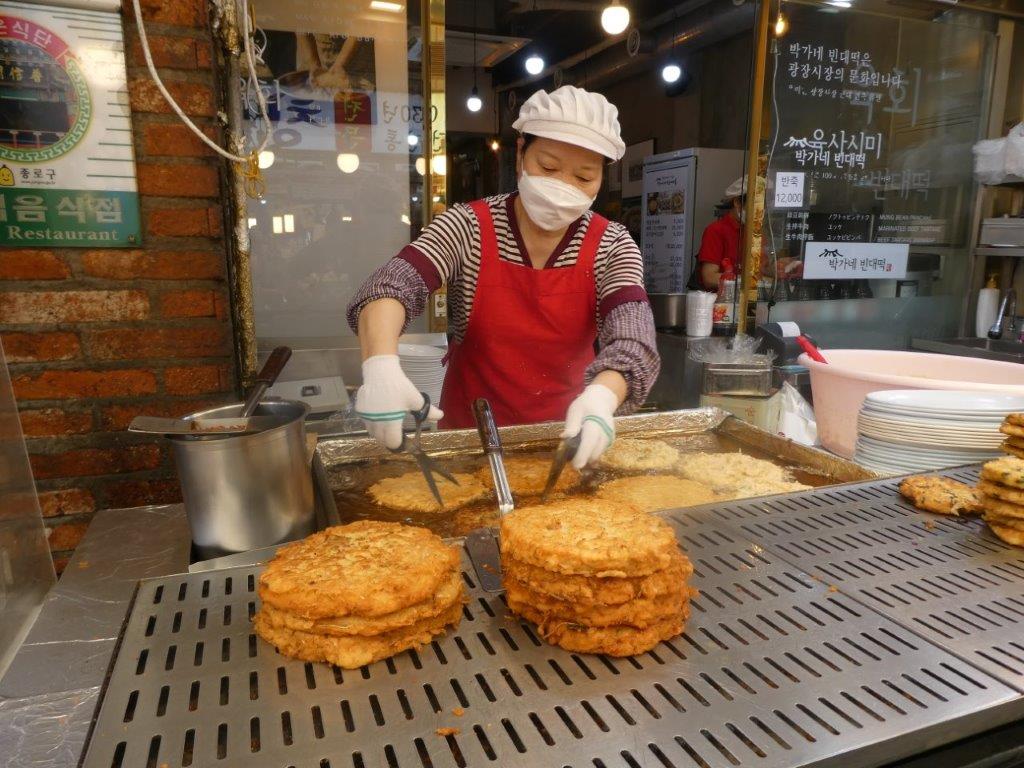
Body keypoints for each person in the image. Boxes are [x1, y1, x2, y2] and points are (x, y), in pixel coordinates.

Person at [346, 85, 660, 469]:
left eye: (583, 176)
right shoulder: (468, 226)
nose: (563, 186)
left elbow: (634, 336)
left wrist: (603, 399)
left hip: (567, 438)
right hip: (471, 440)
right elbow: (390, 287)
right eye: (548, 166)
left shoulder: (612, 245)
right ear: (520, 154)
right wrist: (379, 366)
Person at [698, 177, 746, 291]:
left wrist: (782, 267)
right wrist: (745, 281)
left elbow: (763, 268)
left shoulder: (757, 233)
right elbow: (709, 277)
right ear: (737, 203)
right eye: (755, 205)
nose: (759, 211)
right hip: (724, 304)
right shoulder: (716, 230)